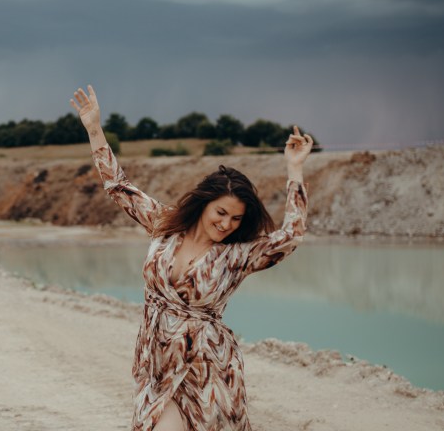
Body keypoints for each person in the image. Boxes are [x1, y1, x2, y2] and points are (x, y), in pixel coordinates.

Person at [70, 85, 312, 431]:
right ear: (204, 204)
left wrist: (295, 171)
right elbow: (118, 186)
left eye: (236, 219)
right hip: (157, 364)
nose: (226, 224)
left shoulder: (235, 256)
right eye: (221, 212)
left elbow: (291, 237)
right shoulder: (165, 225)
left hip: (206, 370)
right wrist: (94, 129)